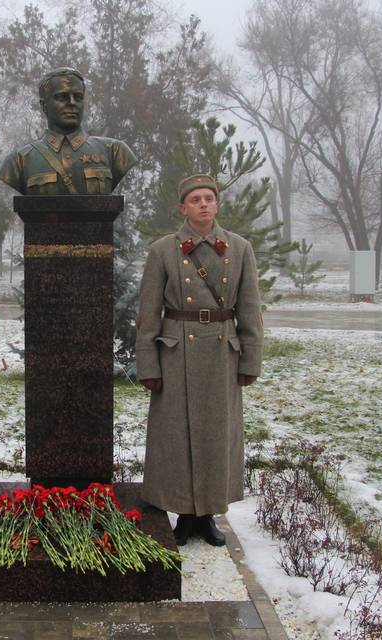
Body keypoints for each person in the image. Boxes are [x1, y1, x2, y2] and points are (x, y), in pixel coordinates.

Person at [135, 173, 263, 546]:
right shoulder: (163, 250)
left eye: (209, 198)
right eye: (195, 200)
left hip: (222, 353)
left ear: (217, 204)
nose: (203, 204)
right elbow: (148, 312)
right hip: (177, 352)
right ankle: (182, 514)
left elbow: (251, 308)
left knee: (215, 434)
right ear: (183, 207)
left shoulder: (239, 248)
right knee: (174, 436)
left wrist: (250, 359)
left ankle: (206, 514)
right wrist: (148, 363)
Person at [0, 67, 136, 195]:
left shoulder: (115, 151)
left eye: (78, 97)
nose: (72, 103)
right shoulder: (19, 161)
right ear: (44, 105)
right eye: (62, 97)